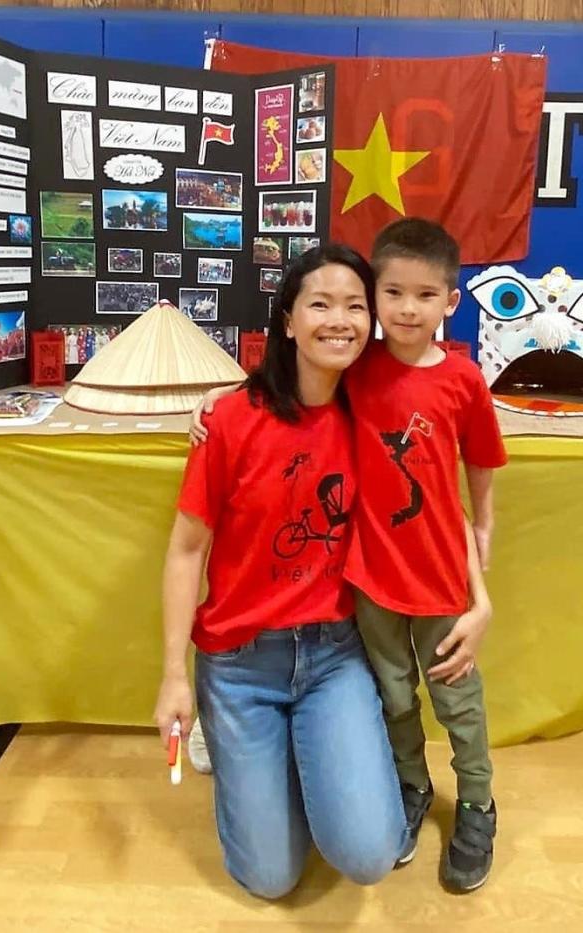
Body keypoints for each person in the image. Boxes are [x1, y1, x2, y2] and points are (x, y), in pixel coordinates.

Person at [191, 219, 507, 893]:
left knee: (458, 703)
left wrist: (483, 549)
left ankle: (477, 802)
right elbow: (286, 375)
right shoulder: (358, 369)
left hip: (433, 587)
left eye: (425, 295)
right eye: (391, 292)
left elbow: (465, 475)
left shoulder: (459, 378)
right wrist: (218, 398)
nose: (406, 309)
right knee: (395, 697)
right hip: (367, 591)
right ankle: (406, 784)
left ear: (452, 299)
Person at [154, 243, 407, 900]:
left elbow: (445, 380)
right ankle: (246, 744)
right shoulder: (231, 418)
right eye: (319, 303)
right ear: (288, 321)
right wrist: (173, 676)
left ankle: (309, 747)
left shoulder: (377, 413)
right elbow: (185, 551)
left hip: (333, 656)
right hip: (240, 665)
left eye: (356, 305)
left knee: (370, 855)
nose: (339, 319)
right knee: (269, 877)